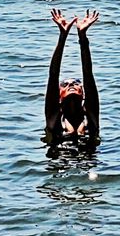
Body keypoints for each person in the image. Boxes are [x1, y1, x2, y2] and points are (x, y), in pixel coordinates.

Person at [43, 9, 100, 149]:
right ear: (59, 96)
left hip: (89, 167)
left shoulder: (90, 116)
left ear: (83, 93)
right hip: (61, 167)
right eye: (66, 84)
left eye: (76, 83)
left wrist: (82, 37)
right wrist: (62, 37)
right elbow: (53, 75)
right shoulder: (54, 118)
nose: (71, 84)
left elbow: (88, 74)